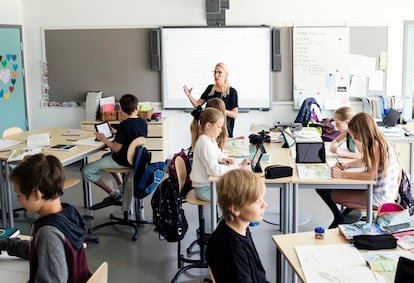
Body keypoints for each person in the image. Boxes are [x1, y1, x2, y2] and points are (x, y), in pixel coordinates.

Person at [0, 153, 91, 283]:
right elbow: (42, 250)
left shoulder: (49, 233)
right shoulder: (67, 213)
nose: (17, 200)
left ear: (36, 194)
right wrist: (6, 244)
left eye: (19, 195)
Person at [317, 112, 401, 228]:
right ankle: (344, 215)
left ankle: (342, 217)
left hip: (381, 196)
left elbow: (370, 176)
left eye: (356, 135)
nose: (355, 138)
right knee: (332, 188)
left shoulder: (376, 145)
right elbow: (366, 160)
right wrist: (346, 165)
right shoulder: (380, 139)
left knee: (336, 195)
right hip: (384, 190)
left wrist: (342, 174)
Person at [82, 94, 147, 205]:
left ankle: (113, 193)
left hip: (122, 161)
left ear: (122, 110)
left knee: (86, 170)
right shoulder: (143, 123)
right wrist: (118, 133)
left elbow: (115, 149)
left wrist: (103, 138)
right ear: (137, 107)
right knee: (105, 157)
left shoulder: (124, 125)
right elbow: (133, 137)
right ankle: (121, 186)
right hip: (136, 160)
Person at [206, 169, 269, 283]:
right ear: (235, 209)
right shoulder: (233, 250)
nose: (265, 204)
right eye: (257, 201)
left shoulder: (240, 228)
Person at [190, 107, 249, 201]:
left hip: (209, 185)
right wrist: (238, 166)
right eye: (219, 127)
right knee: (240, 195)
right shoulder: (205, 143)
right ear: (208, 125)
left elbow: (217, 153)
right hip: (205, 189)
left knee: (240, 188)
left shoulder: (210, 139)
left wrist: (222, 159)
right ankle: (234, 215)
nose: (221, 130)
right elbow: (215, 170)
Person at [183, 62, 239, 138]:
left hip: (224, 131)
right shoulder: (210, 88)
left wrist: (220, 110)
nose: (216, 75)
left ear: (226, 75)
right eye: (215, 72)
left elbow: (234, 114)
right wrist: (189, 95)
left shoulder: (232, 92)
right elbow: (198, 104)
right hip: (209, 130)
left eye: (219, 72)